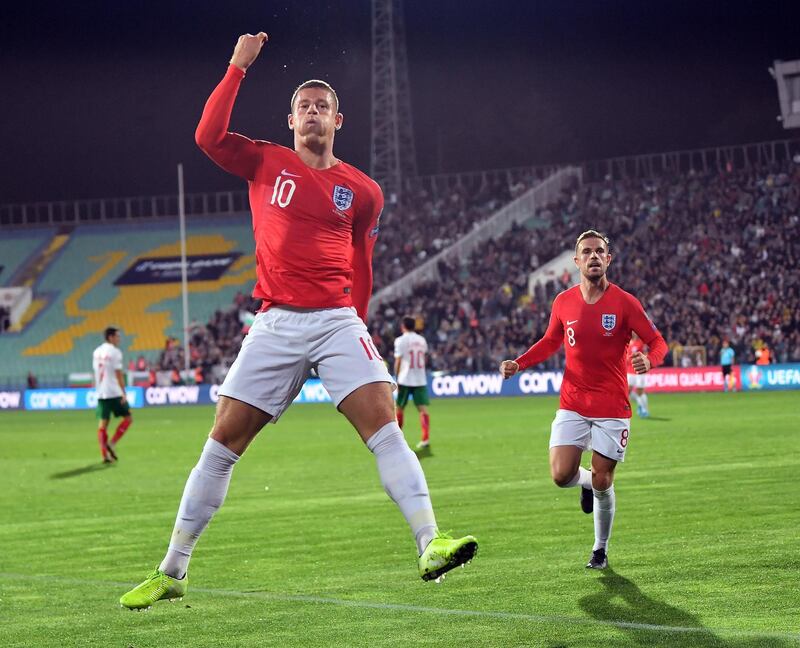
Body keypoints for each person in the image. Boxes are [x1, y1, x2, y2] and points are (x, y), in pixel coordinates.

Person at [120, 32, 477, 610]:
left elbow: (362, 263)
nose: (313, 112)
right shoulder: (265, 160)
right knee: (221, 444)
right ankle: (172, 570)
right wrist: (237, 67)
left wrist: (356, 327)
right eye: (304, 105)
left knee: (386, 427)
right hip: (276, 321)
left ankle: (430, 543)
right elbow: (207, 136)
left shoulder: (363, 191)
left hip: (337, 320)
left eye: (323, 106)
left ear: (340, 119)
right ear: (290, 119)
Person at [499, 229, 667, 570]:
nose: (593, 256)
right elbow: (550, 341)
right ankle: (584, 483)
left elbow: (658, 341)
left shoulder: (625, 302)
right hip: (573, 402)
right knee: (561, 475)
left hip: (611, 406)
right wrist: (520, 362)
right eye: (587, 252)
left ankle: (600, 549)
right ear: (576, 261)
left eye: (599, 251)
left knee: (604, 480)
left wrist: (650, 360)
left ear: (608, 259)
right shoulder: (563, 302)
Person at [92, 327, 132, 463]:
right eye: (117, 336)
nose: (119, 339)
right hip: (114, 391)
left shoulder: (96, 352)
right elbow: (118, 374)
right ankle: (112, 443)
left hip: (101, 392)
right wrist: (123, 392)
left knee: (103, 425)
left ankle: (104, 455)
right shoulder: (115, 352)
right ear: (110, 337)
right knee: (128, 418)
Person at [393, 316, 432, 455]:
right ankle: (426, 438)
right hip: (420, 378)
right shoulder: (422, 340)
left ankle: (397, 440)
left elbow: (398, 360)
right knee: (422, 409)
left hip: (405, 377)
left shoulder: (400, 340)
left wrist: (395, 377)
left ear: (403, 326)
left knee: (400, 408)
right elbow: (424, 357)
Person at [626, 332, 649, 417]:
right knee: (627, 391)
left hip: (640, 369)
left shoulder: (641, 343)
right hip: (629, 370)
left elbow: (646, 354)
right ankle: (640, 405)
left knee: (640, 391)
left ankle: (644, 409)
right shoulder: (627, 342)